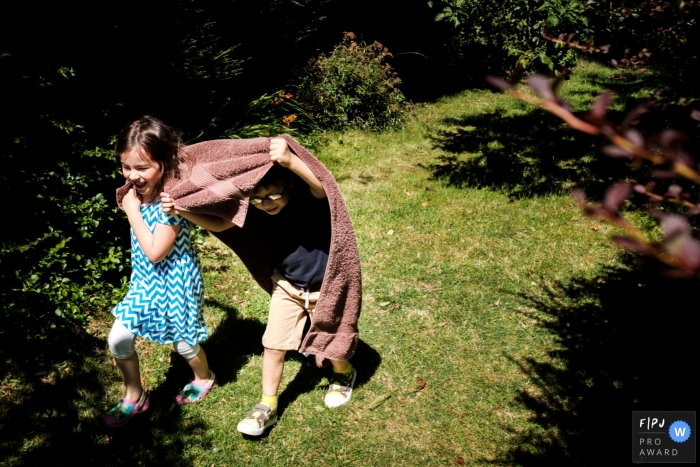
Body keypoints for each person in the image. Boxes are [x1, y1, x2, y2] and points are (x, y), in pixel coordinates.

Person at [161, 138, 357, 436]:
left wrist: (291, 161)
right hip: (288, 288)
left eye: (274, 195)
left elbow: (322, 187)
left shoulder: (306, 201)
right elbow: (219, 225)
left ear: (288, 184)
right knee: (273, 345)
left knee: (331, 340)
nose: (268, 203)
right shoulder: (255, 212)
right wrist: (180, 209)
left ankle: (344, 373)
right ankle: (267, 406)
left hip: (324, 289)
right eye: (259, 198)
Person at [104, 116, 215, 429]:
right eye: (126, 167)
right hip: (145, 282)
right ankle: (134, 395)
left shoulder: (172, 200)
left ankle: (204, 377)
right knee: (118, 338)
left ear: (165, 163)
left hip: (177, 281)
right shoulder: (136, 194)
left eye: (142, 168)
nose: (133, 176)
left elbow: (155, 251)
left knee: (184, 342)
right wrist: (133, 205)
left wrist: (132, 212)